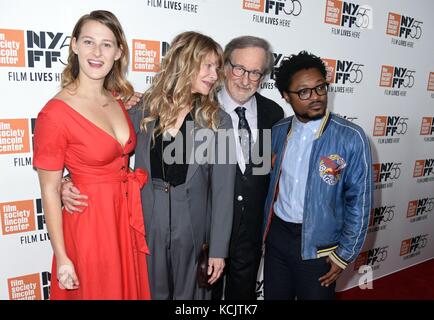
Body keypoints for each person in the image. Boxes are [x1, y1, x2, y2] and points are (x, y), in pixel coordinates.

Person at [61, 31, 236, 300]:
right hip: (146, 219)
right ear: (184, 62)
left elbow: (224, 192)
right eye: (208, 66)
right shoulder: (142, 110)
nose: (215, 75)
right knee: (149, 293)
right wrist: (66, 180)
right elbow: (98, 149)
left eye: (217, 68)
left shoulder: (218, 120)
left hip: (192, 224)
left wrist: (218, 250)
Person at [33, 10, 150, 300]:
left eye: (107, 44)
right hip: (88, 225)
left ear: (119, 52)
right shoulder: (55, 113)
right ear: (74, 45)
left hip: (123, 219)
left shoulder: (118, 100)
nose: (97, 52)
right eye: (88, 42)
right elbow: (49, 190)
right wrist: (61, 257)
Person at [262, 51, 373, 300]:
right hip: (278, 238)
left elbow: (360, 201)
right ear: (285, 96)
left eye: (320, 88)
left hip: (320, 247)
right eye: (303, 92)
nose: (315, 97)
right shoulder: (278, 131)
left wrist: (344, 254)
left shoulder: (351, 137)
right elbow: (264, 184)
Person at [211, 36, 283, 300]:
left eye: (255, 72)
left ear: (263, 76)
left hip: (251, 231)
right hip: (207, 231)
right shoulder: (201, 108)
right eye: (239, 68)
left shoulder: (273, 114)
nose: (244, 80)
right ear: (224, 66)